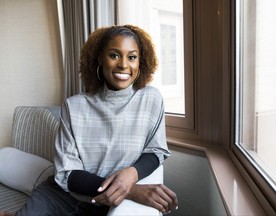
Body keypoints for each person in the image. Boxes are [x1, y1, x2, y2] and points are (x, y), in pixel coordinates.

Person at [13, 24, 178, 216]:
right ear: (100, 58)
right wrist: (129, 190)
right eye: (114, 55)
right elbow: (68, 173)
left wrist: (131, 174)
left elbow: (155, 150)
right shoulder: (73, 106)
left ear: (140, 61)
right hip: (62, 196)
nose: (124, 65)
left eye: (132, 57)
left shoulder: (151, 99)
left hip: (108, 205)